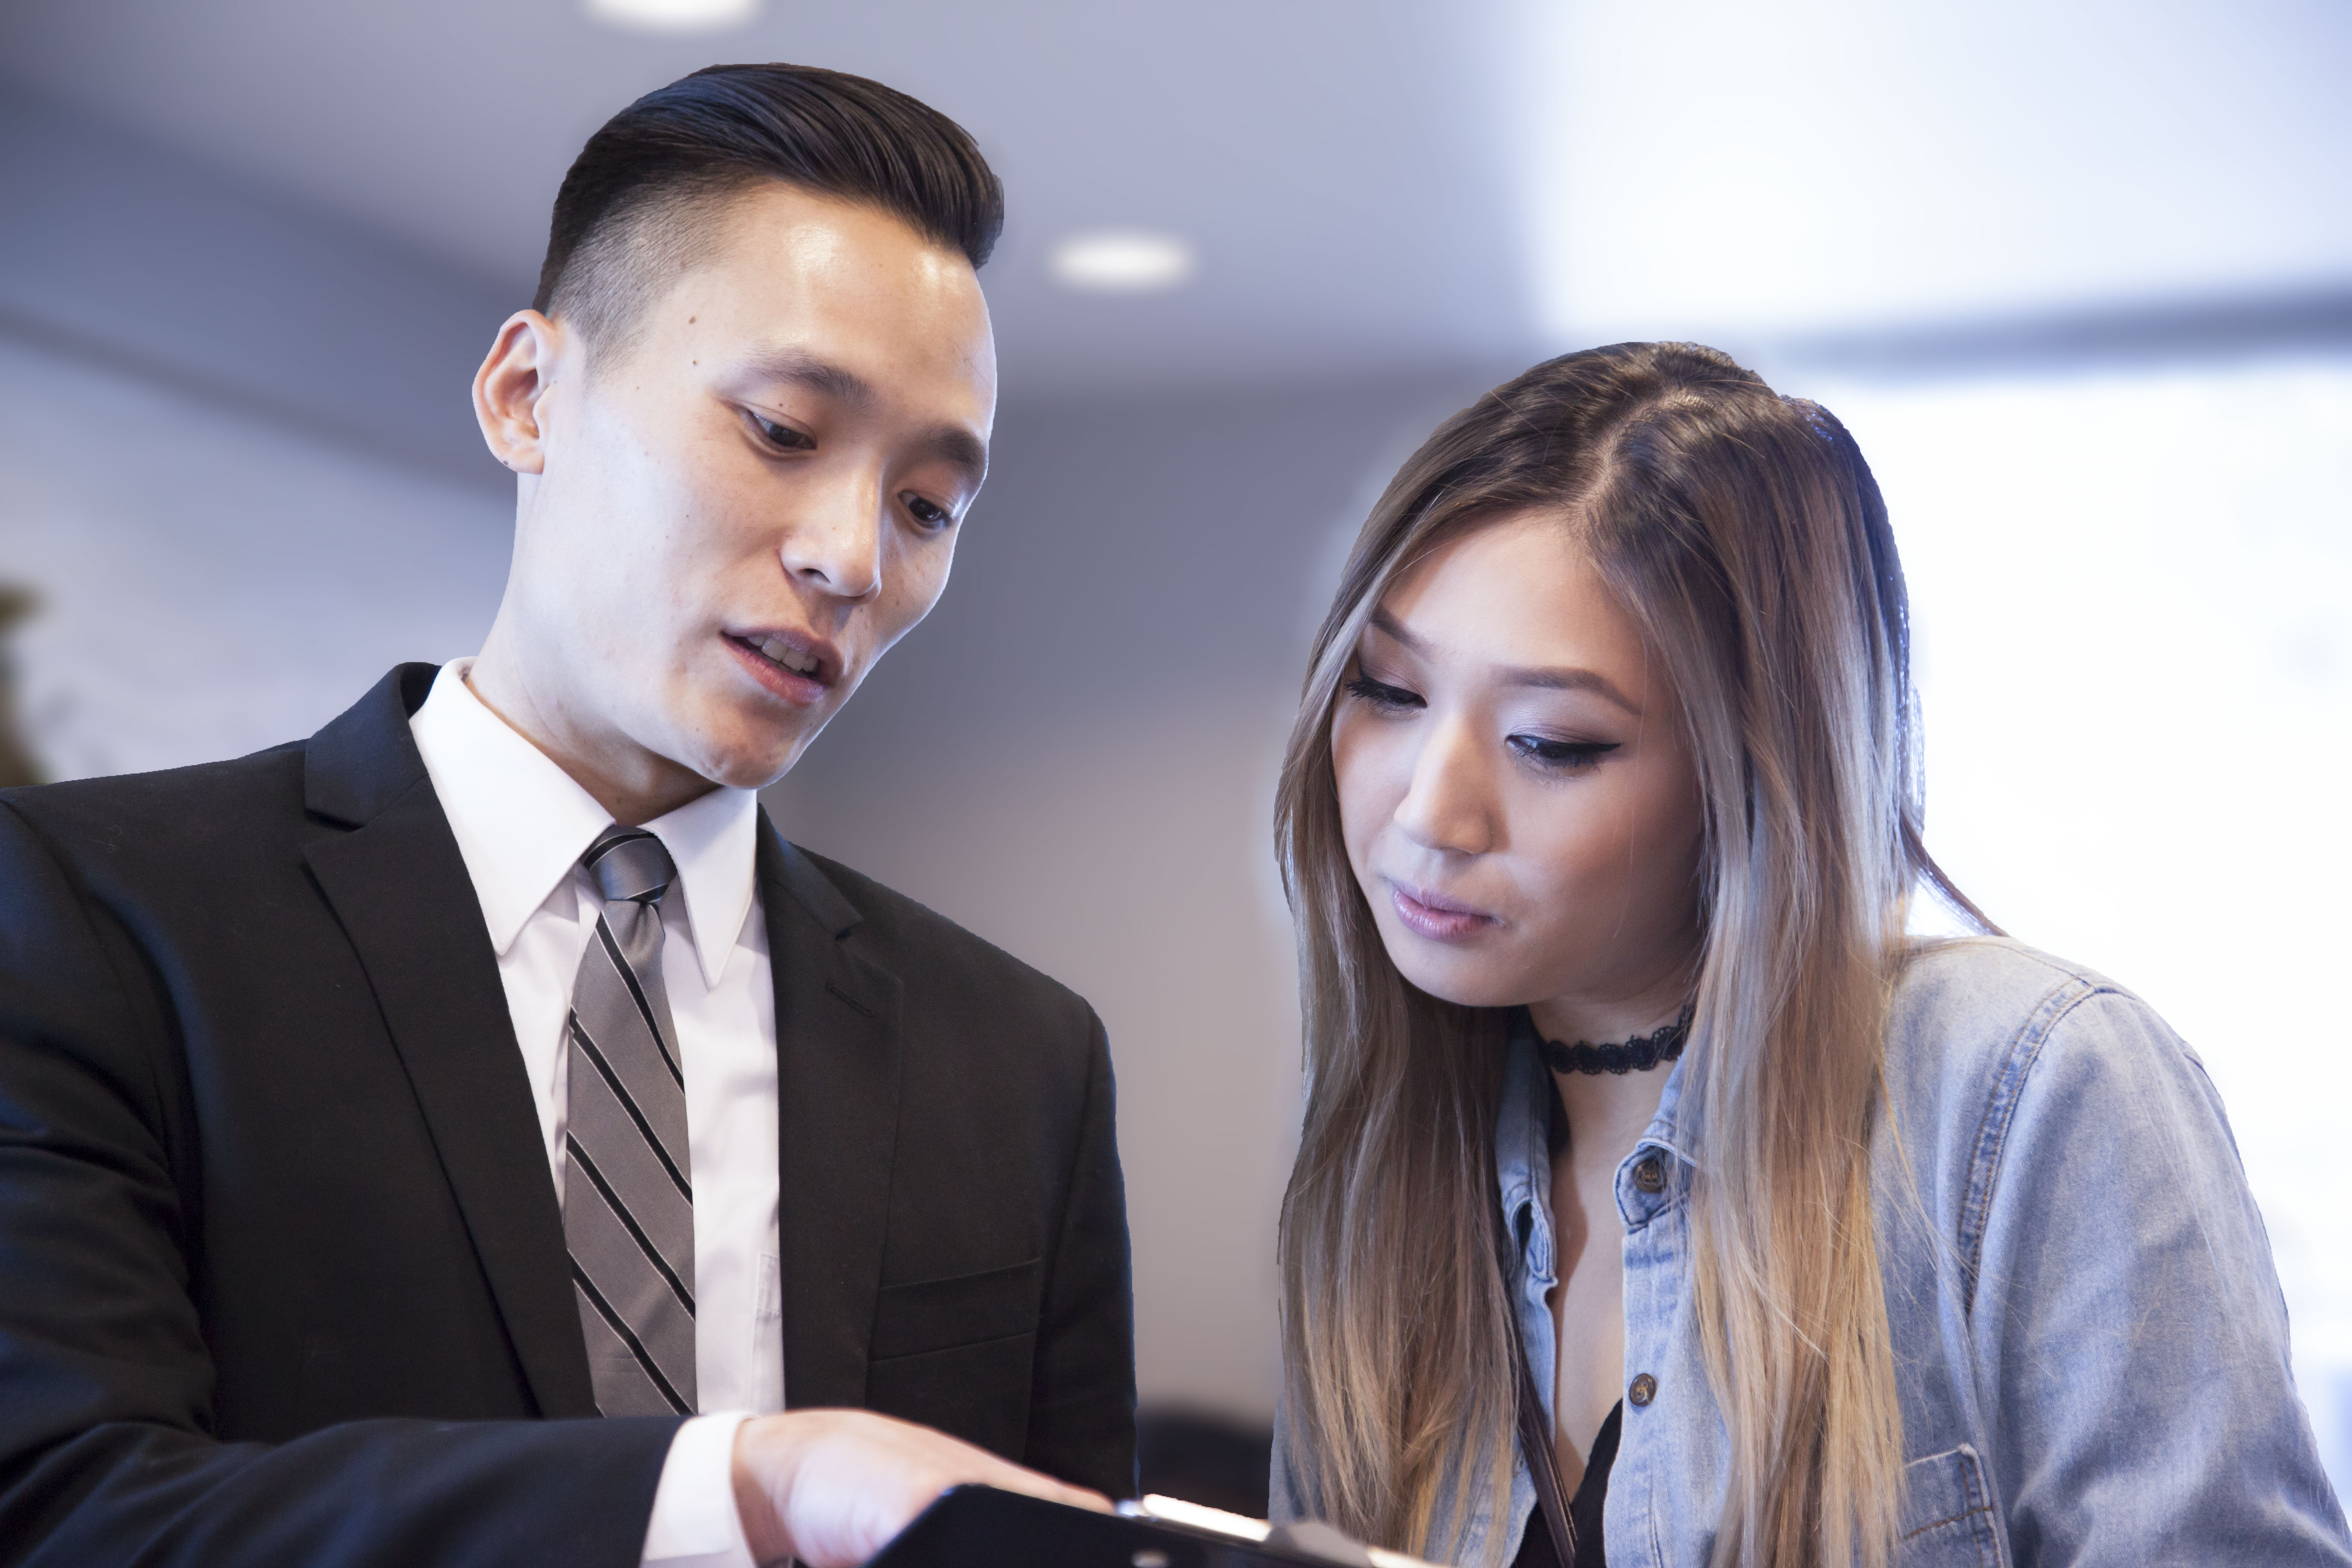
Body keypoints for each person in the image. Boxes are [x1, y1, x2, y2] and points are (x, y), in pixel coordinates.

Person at [0, 64, 1133, 1568]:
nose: (854, 558)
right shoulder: (90, 916)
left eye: (929, 507)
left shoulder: (1023, 1059)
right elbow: (66, 1510)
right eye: (789, 430)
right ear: (528, 396)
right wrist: (737, 1491)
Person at [1265, 342, 2352, 1567]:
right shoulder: (1382, 1180)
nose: (1427, 815)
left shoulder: (2034, 1090)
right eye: (1390, 692)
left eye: (1553, 741)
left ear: (1753, 776)